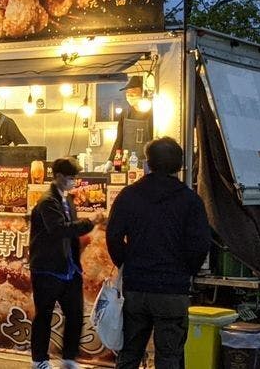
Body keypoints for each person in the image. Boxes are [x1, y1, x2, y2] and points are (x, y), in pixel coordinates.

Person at [107, 137, 213, 369]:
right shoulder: (190, 200)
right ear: (179, 165)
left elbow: (113, 236)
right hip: (172, 290)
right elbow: (201, 244)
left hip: (136, 288)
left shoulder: (129, 195)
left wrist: (127, 263)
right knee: (169, 356)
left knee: (129, 353)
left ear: (148, 162)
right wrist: (186, 271)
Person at [29, 159, 96, 369]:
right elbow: (59, 229)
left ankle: (68, 358)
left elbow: (71, 233)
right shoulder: (47, 201)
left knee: (75, 314)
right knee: (44, 315)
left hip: (69, 268)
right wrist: (90, 222)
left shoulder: (67, 200)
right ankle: (39, 360)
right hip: (47, 268)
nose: (73, 181)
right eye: (70, 177)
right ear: (58, 176)